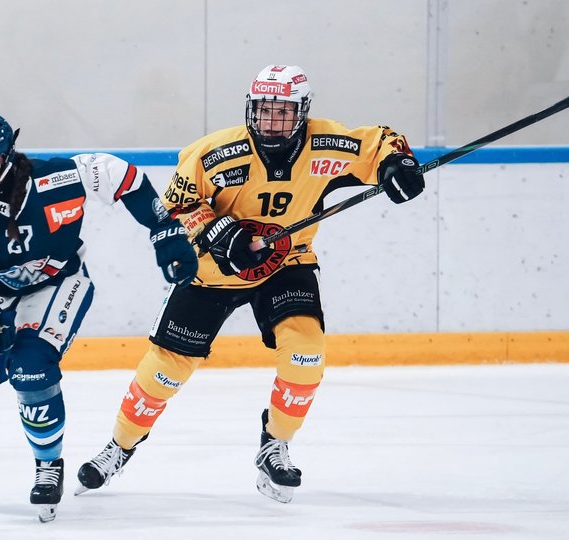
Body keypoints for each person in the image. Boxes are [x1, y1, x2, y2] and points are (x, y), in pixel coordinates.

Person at [76, 64, 425, 503]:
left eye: (282, 112)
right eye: (263, 110)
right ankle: (120, 446)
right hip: (211, 272)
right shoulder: (213, 153)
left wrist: (399, 164)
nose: (270, 121)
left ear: (302, 112)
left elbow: (381, 140)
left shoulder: (327, 144)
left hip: (287, 262)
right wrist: (223, 233)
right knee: (165, 370)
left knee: (306, 352)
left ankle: (274, 445)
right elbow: (175, 208)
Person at [0, 112, 197, 522]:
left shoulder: (60, 178)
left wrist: (163, 228)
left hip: (58, 284)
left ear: (0, 161)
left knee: (31, 366)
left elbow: (121, 175)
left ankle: (47, 466)